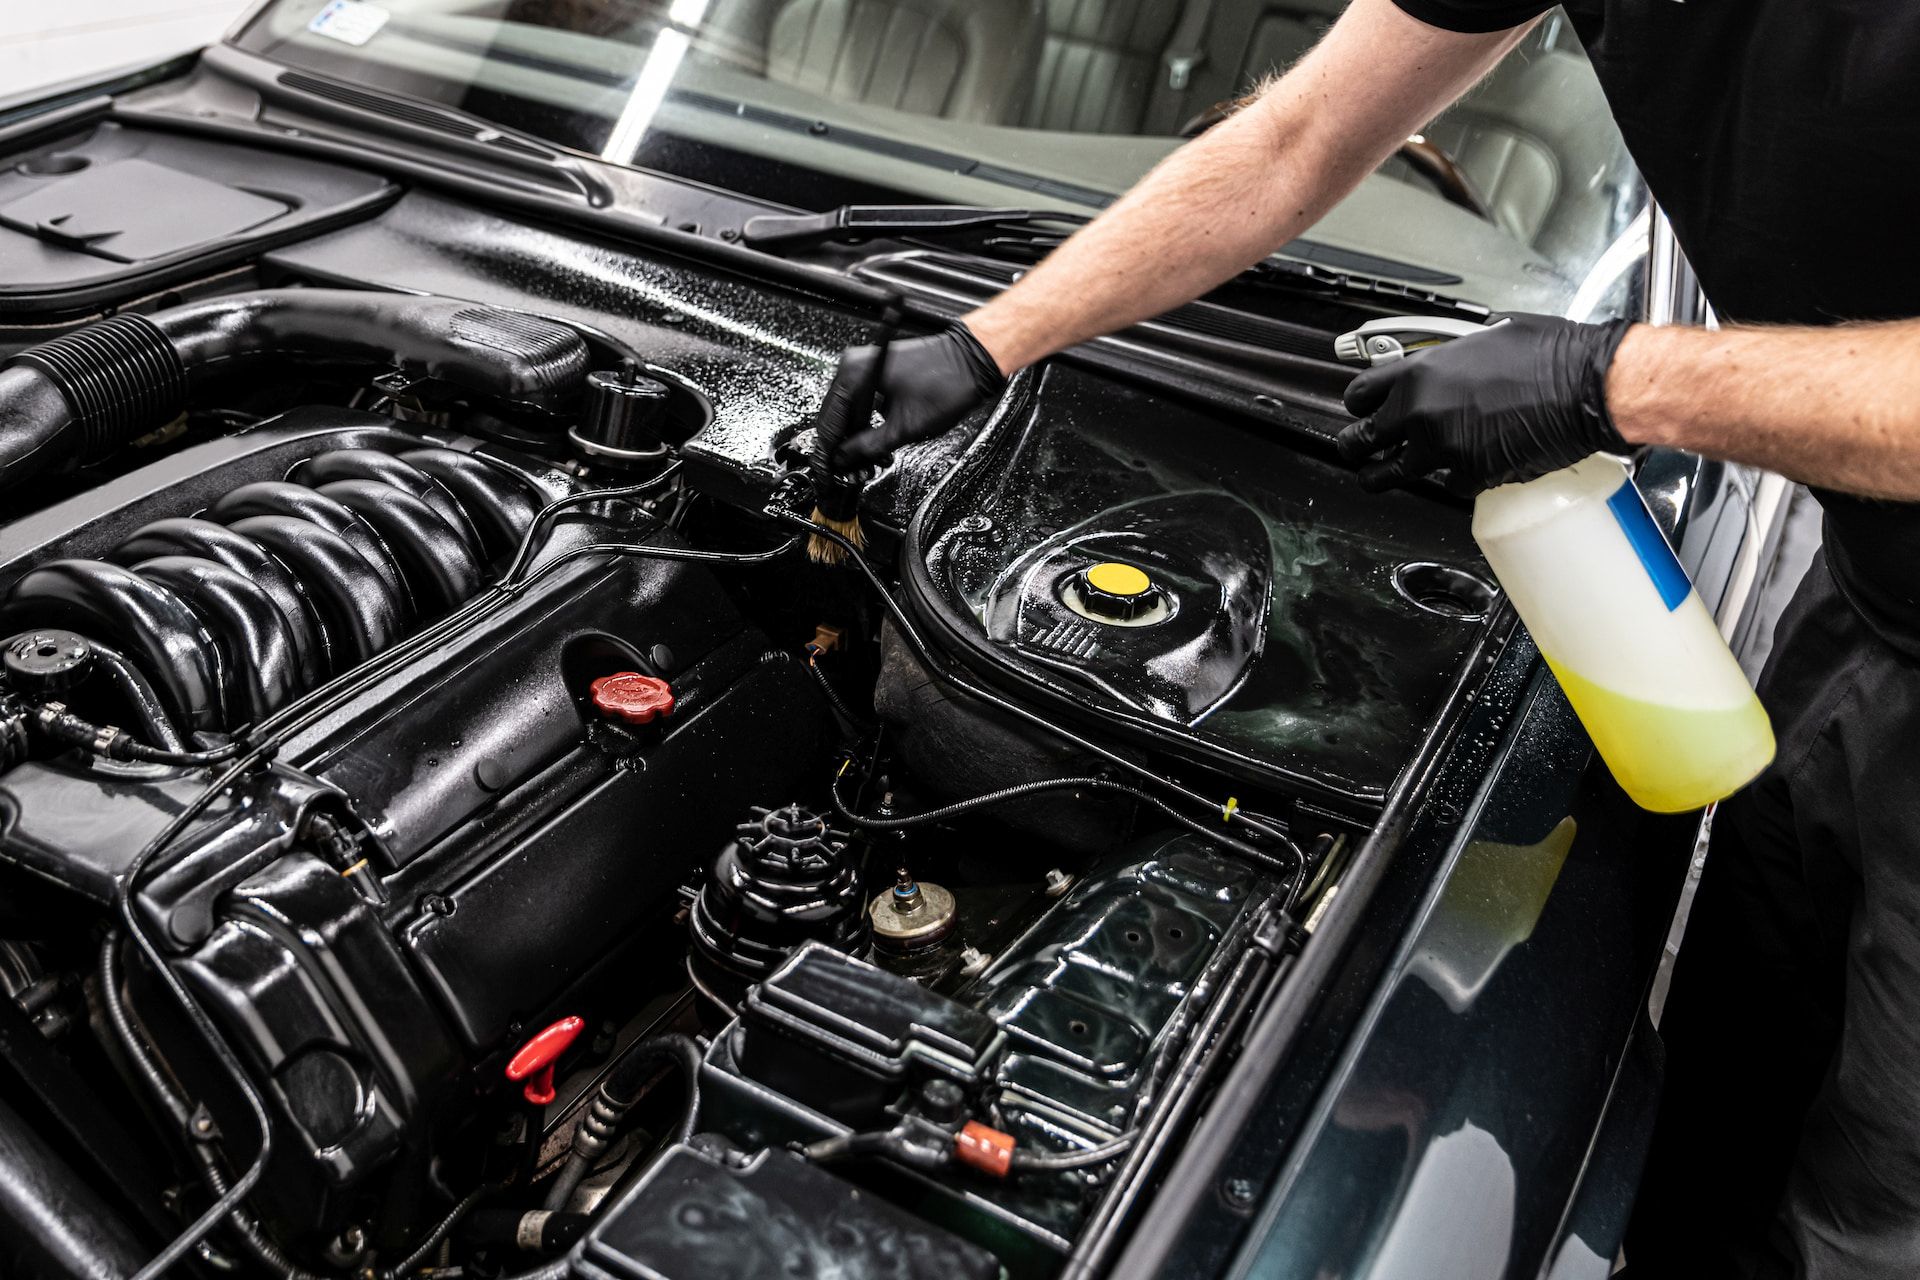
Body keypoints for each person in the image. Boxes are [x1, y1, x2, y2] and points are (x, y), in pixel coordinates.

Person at [814, 1, 1920, 1276]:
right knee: (1730, 1100)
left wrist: (1606, 376)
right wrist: (989, 339)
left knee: (1870, 1216)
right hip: (1873, 585)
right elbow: (1297, 134)